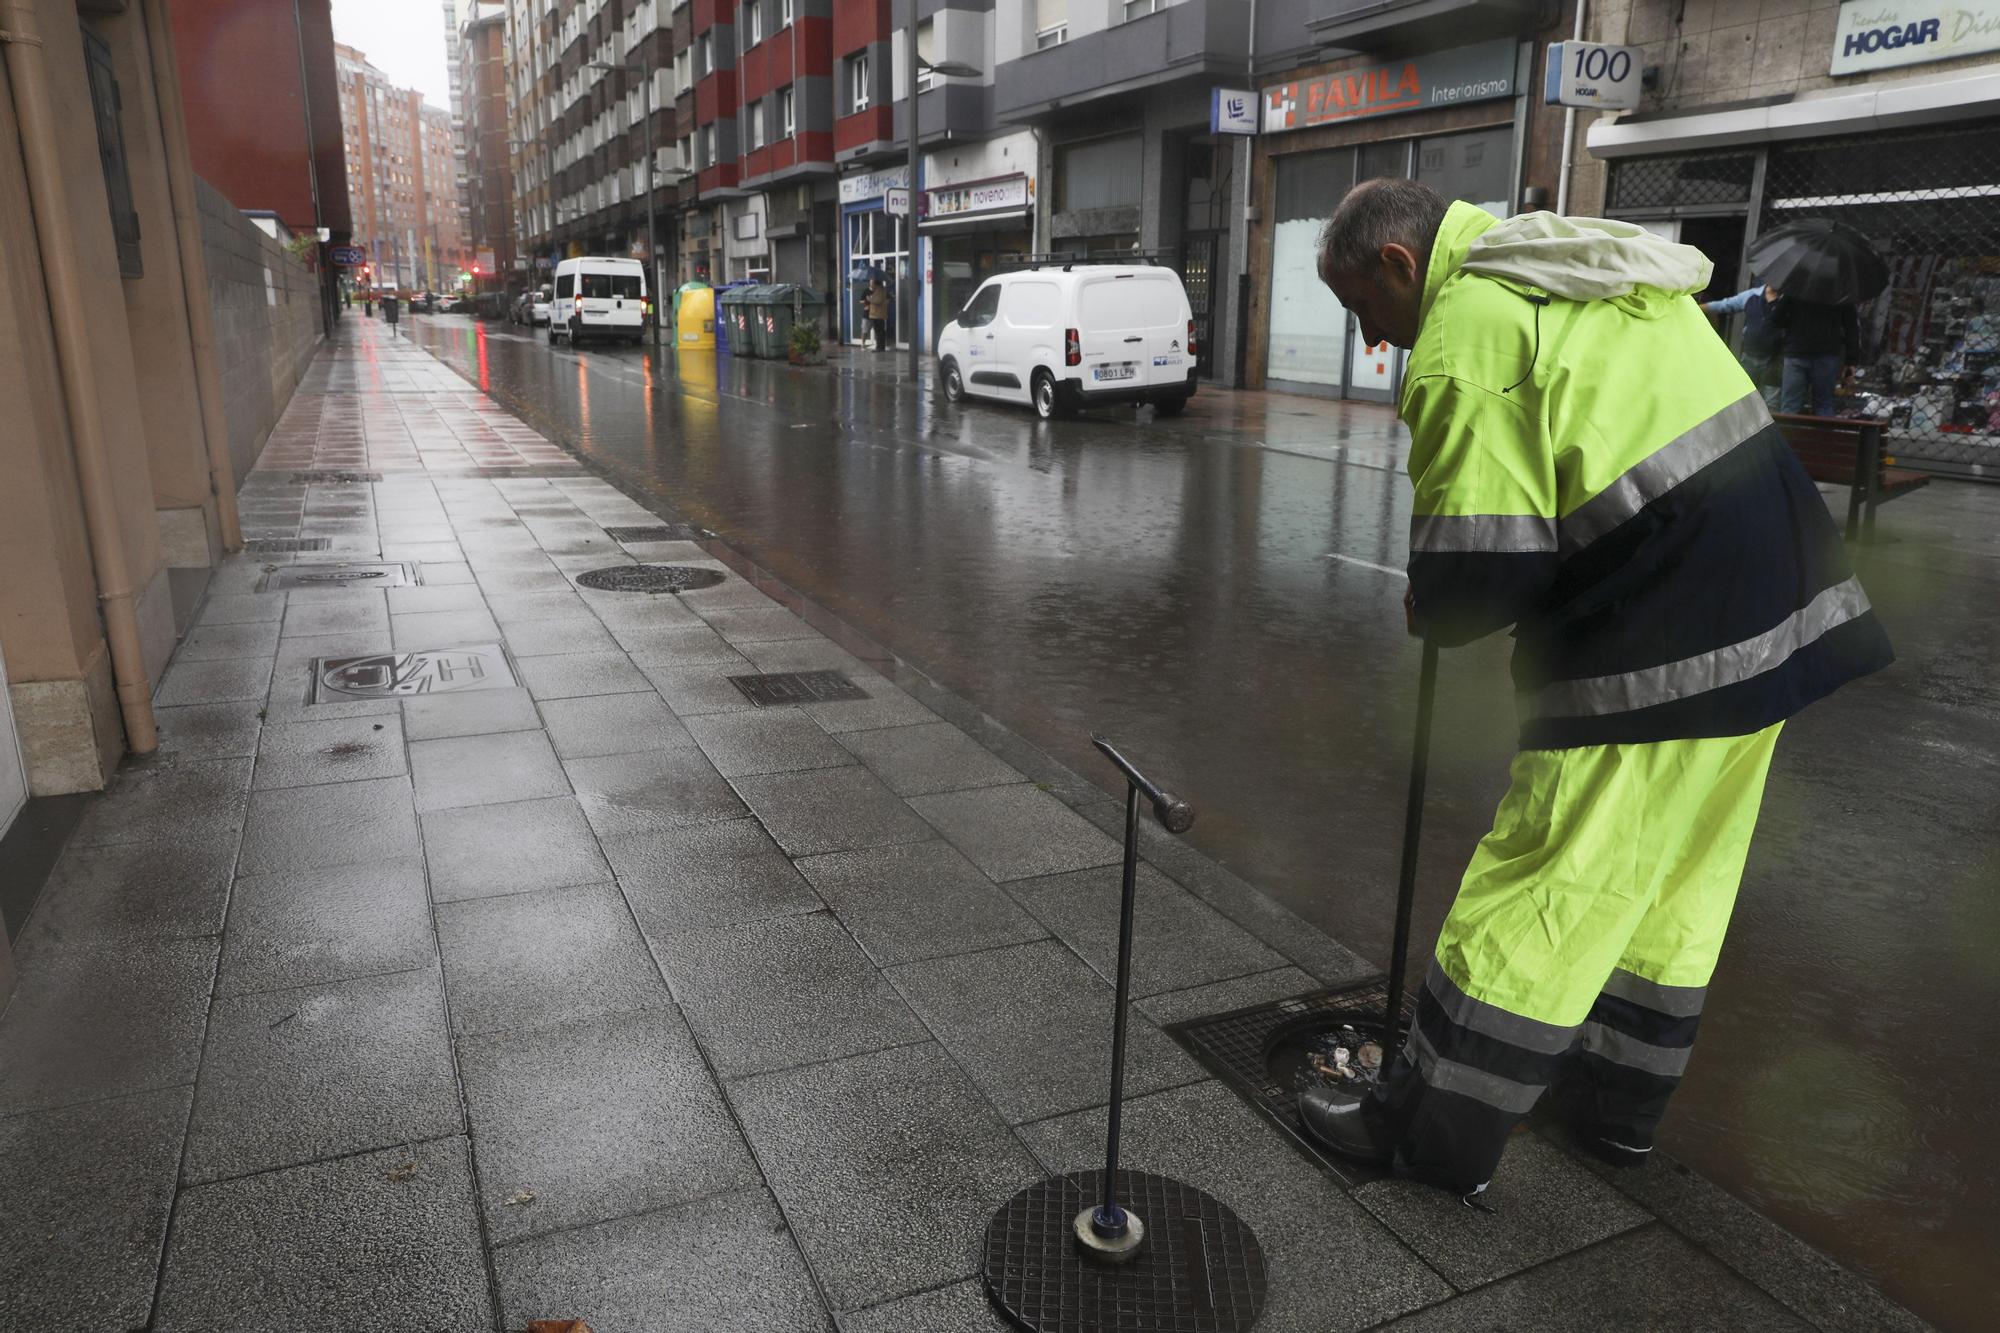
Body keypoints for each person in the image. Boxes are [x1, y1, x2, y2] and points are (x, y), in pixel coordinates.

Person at [1300, 180, 1892, 1196]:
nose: (1374, 342)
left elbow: (1481, 561)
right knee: (1671, 879)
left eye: (1365, 312)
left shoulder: (1470, 328)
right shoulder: (1574, 269)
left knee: (1543, 874)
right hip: (1772, 609)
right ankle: (1612, 1107)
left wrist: (1433, 602)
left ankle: (1426, 1132)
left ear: (1400, 266)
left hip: (1661, 633)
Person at [1772, 293, 1861, 416]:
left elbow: (1776, 318)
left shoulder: (1798, 288)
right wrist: (1851, 360)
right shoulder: (1841, 292)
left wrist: (1793, 325)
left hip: (1797, 350)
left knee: (1790, 404)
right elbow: (1851, 328)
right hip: (1826, 353)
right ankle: (1821, 434)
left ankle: (1788, 433)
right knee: (1823, 405)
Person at [1701, 283, 1782, 407]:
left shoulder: (1787, 300)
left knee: (1771, 404)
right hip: (1750, 356)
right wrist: (1697, 308)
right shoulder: (1752, 295)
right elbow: (1725, 305)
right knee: (1742, 399)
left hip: (1774, 360)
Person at [863, 279, 891, 352]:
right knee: (879, 331)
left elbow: (878, 301)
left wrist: (870, 299)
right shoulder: (880, 290)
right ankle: (880, 347)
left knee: (879, 331)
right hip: (877, 314)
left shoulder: (879, 290)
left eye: (872, 283)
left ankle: (880, 347)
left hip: (877, 314)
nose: (871, 285)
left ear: (876, 284)